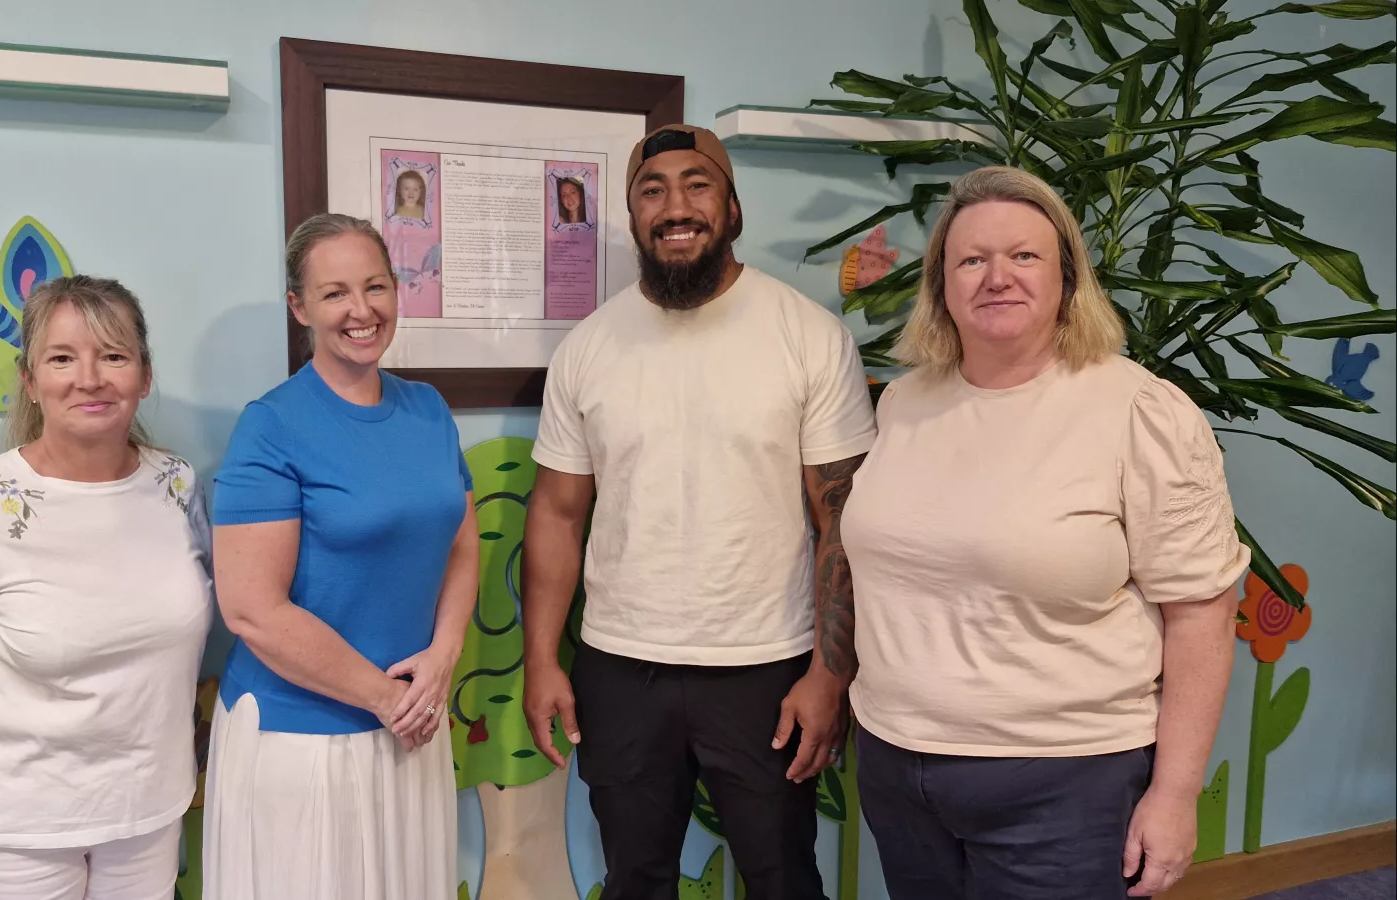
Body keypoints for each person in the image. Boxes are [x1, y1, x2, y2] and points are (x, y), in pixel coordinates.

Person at [841, 165, 1247, 899]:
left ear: (1067, 275)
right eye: (972, 260)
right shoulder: (904, 403)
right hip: (900, 765)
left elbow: (1202, 614)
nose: (997, 277)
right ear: (940, 285)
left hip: (1064, 779)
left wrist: (1175, 795)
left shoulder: (1140, 411)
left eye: (1023, 256)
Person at [522, 124, 877, 899]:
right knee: (635, 879)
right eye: (652, 191)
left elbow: (842, 520)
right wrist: (543, 658)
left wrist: (829, 672)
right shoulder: (588, 348)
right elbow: (555, 514)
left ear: (733, 207)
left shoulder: (808, 337)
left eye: (696, 184)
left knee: (782, 878)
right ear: (633, 217)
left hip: (766, 666)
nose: (675, 206)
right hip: (621, 666)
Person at [0, 276, 212, 899]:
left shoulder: (177, 484)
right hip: (8, 828)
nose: (89, 378)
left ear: (144, 376)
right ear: (30, 381)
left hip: (146, 814)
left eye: (113, 355)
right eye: (62, 358)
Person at [203, 213, 478, 899]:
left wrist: (443, 658)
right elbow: (252, 611)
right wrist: (385, 699)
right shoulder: (271, 425)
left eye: (376, 286)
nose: (362, 311)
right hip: (305, 744)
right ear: (300, 307)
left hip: (411, 728)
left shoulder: (428, 409)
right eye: (334, 294)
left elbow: (463, 544)